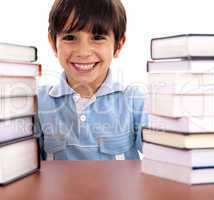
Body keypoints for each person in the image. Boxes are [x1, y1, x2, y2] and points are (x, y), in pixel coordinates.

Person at [35, 0, 148, 160]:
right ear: (53, 43)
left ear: (118, 45)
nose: (83, 52)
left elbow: (166, 158)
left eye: (97, 37)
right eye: (70, 37)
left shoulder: (133, 99)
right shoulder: (39, 102)